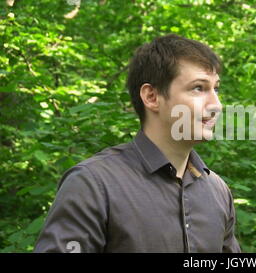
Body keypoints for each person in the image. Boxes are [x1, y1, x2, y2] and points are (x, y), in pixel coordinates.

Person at [34, 34, 241, 253]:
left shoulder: (217, 191)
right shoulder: (93, 184)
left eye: (216, 89)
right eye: (198, 88)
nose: (216, 105)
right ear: (152, 97)